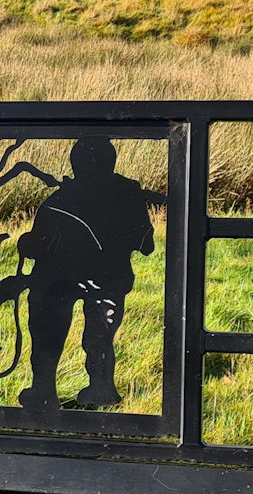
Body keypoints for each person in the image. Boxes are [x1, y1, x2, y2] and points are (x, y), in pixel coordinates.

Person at [17, 137, 158, 410]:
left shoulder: (61, 198)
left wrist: (30, 244)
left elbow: (37, 244)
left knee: (60, 327)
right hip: (103, 278)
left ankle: (47, 390)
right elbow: (145, 244)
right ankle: (96, 390)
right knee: (98, 333)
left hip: (76, 279)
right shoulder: (127, 195)